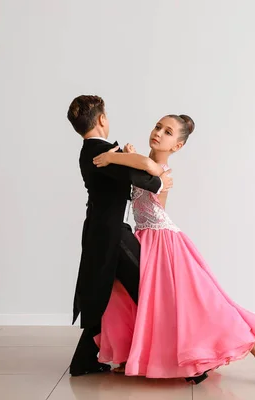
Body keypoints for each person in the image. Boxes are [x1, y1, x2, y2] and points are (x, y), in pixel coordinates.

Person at [92, 114, 255, 385]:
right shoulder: (144, 165)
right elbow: (136, 172)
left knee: (198, 302)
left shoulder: (159, 170)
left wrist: (114, 157)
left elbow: (143, 168)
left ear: (177, 146)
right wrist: (128, 157)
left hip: (163, 241)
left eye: (168, 132)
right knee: (127, 292)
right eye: (158, 127)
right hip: (144, 236)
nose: (158, 133)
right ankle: (132, 354)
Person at [66, 95, 173, 376]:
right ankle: (181, 359)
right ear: (102, 119)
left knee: (106, 294)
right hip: (112, 234)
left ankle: (85, 361)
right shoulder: (102, 152)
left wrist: (127, 156)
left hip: (102, 232)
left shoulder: (91, 151)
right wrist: (162, 179)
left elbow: (128, 172)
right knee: (148, 290)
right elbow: (140, 178)